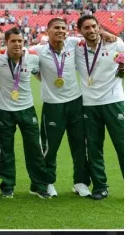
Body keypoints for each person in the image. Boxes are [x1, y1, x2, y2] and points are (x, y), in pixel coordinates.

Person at [0, 27, 50, 198]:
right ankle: (7, 185)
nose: (17, 44)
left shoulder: (32, 59)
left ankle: (38, 185)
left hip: (27, 109)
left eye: (20, 41)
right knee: (5, 149)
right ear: (6, 43)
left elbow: (38, 74)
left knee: (35, 148)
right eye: (13, 41)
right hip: (4, 110)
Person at [30, 18, 90, 198]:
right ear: (47, 31)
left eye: (64, 28)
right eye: (56, 28)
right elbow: (32, 69)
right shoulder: (38, 51)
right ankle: (46, 182)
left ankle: (80, 182)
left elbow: (94, 35)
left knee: (80, 145)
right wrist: (46, 81)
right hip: (53, 105)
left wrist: (109, 35)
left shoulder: (73, 44)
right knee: (50, 147)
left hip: (75, 103)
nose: (61, 31)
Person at [74, 15, 124, 200]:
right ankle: (101, 187)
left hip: (114, 102)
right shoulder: (77, 48)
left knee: (123, 146)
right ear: (80, 31)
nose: (91, 30)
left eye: (94, 26)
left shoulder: (116, 43)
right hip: (89, 104)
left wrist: (124, 70)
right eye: (86, 28)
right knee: (94, 148)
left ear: (99, 26)